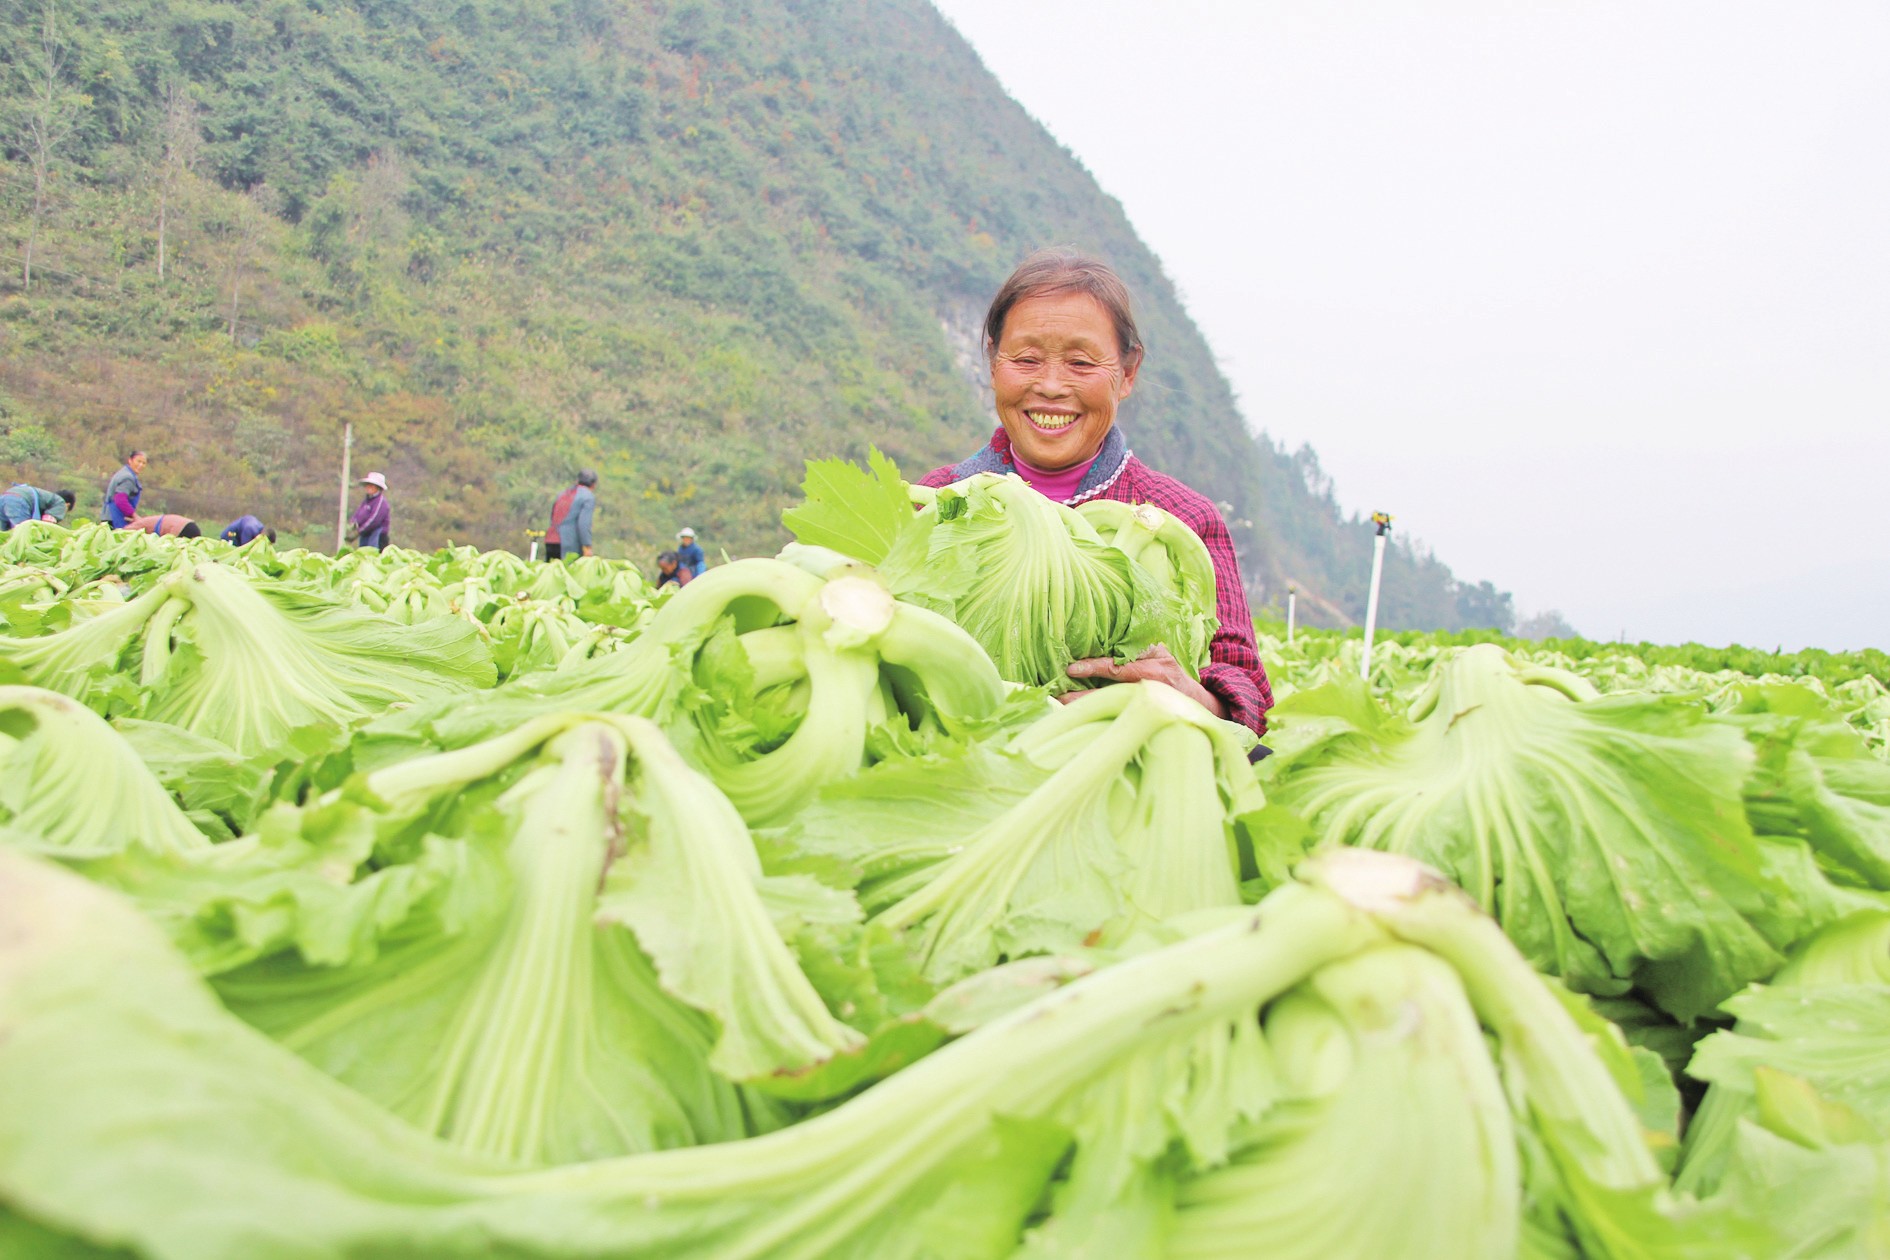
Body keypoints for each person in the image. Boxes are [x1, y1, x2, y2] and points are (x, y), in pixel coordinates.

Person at [916, 248, 1275, 738]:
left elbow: (1245, 684)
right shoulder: (933, 502)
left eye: (1081, 363)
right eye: (1025, 359)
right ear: (993, 363)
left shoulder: (1182, 517)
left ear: (1127, 373)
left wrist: (1188, 694)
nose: (1051, 386)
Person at [545, 469, 598, 562]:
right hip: (568, 546)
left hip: (551, 540)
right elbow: (584, 524)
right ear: (593, 484)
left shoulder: (562, 494)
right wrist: (587, 546)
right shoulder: (588, 497)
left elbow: (553, 516)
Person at [0, 485, 75, 530]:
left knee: (5, 535)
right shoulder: (60, 503)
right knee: (23, 534)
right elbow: (46, 525)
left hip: (4, 497)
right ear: (67, 505)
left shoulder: (46, 498)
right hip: (18, 501)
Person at [104, 450, 147, 529]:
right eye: (138, 461)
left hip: (108, 517)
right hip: (116, 519)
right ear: (130, 461)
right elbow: (120, 500)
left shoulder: (124, 473)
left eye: (144, 463)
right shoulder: (128, 478)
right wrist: (135, 516)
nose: (141, 465)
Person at [347, 473, 391, 550]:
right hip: (365, 535)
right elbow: (358, 514)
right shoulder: (367, 501)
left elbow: (374, 520)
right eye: (368, 485)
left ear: (378, 488)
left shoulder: (381, 502)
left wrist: (358, 532)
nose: (368, 487)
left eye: (371, 485)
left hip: (377, 537)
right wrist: (354, 523)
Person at [128, 513, 202, 538]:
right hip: (190, 524)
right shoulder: (151, 519)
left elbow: (125, 530)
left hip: (179, 529)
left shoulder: (140, 524)